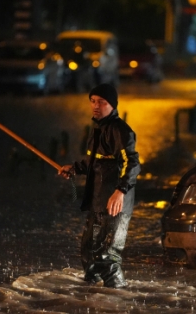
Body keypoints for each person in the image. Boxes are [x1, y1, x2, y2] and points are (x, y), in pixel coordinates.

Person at [58, 83, 140, 289]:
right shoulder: (97, 129)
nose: (96, 106)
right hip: (97, 201)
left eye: (101, 102)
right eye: (93, 101)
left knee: (106, 255)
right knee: (88, 252)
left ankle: (120, 299)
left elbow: (132, 163)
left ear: (112, 105)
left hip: (115, 204)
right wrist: (75, 168)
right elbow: (96, 161)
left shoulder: (121, 131)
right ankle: (91, 297)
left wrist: (120, 191)